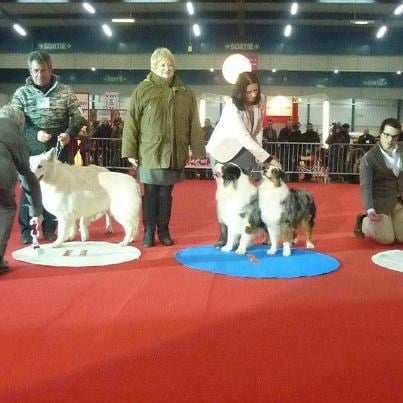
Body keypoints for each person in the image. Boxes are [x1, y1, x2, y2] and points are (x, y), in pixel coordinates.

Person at [122, 47, 205, 247]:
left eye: (170, 65)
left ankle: (164, 231)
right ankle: (149, 232)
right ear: (154, 67)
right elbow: (131, 122)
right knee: (150, 194)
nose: (167, 68)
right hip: (149, 153)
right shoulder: (142, 89)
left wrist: (198, 150)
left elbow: (194, 123)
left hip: (174, 153)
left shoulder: (186, 93)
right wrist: (130, 151)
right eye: (162, 65)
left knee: (166, 195)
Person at [11, 51, 86, 244]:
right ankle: (28, 230)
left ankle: (51, 230)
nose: (39, 75)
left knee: (58, 190)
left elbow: (78, 117)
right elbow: (14, 121)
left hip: (58, 147)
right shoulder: (21, 93)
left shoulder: (66, 91)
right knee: (30, 190)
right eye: (35, 71)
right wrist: (34, 133)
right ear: (30, 71)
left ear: (51, 69)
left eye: (43, 70)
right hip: (31, 150)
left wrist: (69, 133)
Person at [206, 71, 281, 247]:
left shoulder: (261, 100)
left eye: (256, 90)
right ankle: (225, 236)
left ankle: (242, 233)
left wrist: (259, 156)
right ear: (241, 91)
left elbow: (258, 129)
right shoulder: (232, 106)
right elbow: (244, 137)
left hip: (245, 151)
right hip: (223, 151)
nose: (254, 94)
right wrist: (268, 158)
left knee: (244, 195)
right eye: (249, 92)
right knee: (225, 195)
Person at [0, 105, 43, 274]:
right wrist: (36, 210)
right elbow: (27, 177)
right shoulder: (17, 137)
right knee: (6, 207)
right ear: (20, 123)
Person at [354, 118, 403, 244]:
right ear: (380, 133)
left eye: (394, 136)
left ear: (398, 136)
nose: (390, 140)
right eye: (387, 135)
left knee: (401, 237)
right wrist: (369, 208)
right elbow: (366, 185)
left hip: (399, 202)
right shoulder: (369, 158)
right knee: (387, 238)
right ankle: (363, 222)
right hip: (380, 204)